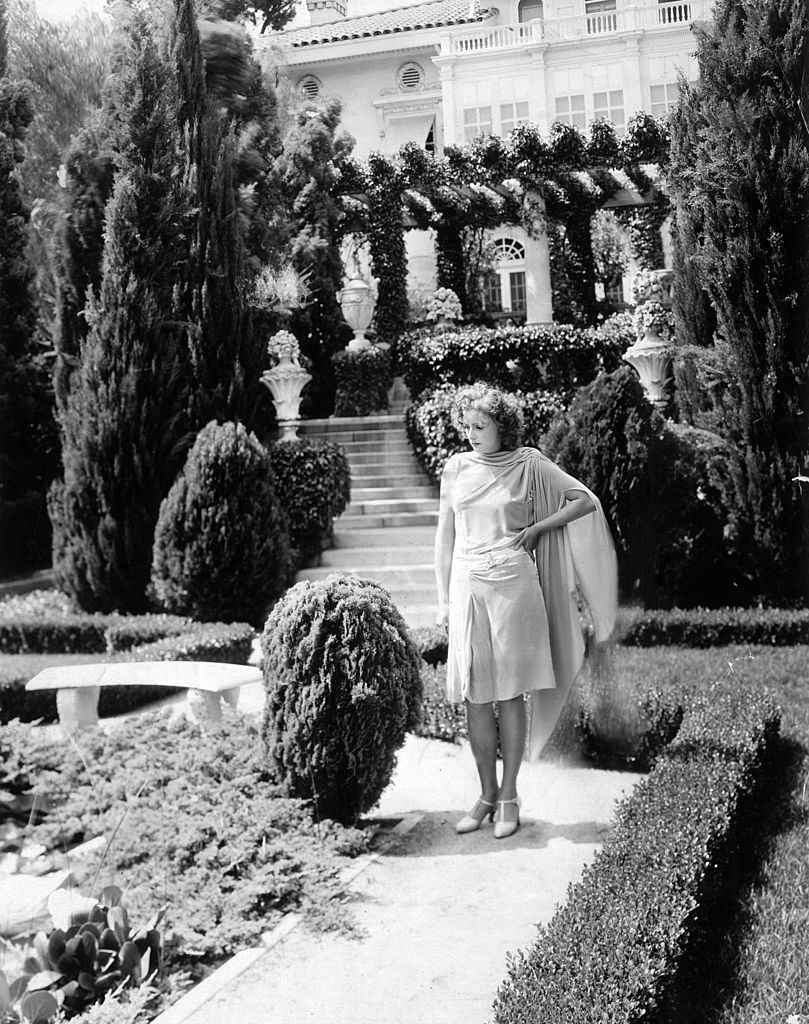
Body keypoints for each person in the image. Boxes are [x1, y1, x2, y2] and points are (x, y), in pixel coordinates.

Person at [434, 383, 617, 838]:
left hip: (514, 588)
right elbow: (445, 538)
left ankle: (510, 795)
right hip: (467, 588)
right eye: (468, 426)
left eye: (482, 426)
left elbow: (583, 501)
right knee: (475, 697)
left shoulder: (529, 464)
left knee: (510, 693)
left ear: (503, 426)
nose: (472, 434)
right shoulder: (455, 467)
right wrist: (442, 599)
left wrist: (538, 528)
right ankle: (485, 795)